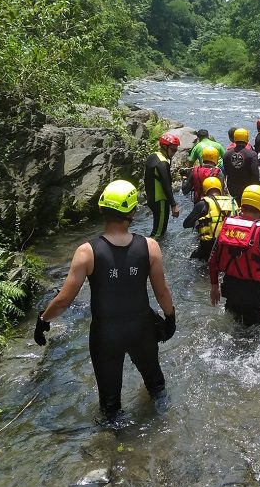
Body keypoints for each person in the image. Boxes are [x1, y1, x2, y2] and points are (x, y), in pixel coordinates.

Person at [33, 180, 177, 421]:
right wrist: (170, 317)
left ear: (102, 209)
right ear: (132, 212)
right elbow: (161, 291)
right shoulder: (150, 246)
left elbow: (64, 300)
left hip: (105, 335)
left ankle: (112, 451)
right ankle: (164, 432)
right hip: (142, 329)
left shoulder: (86, 251)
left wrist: (43, 319)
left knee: (110, 406)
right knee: (156, 387)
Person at [208, 185, 260, 326]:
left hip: (231, 289)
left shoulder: (227, 226)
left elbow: (212, 260)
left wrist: (214, 286)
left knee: (232, 328)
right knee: (252, 338)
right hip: (254, 293)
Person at [182, 177, 238, 260]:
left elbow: (186, 224)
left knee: (192, 258)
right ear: (220, 188)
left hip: (208, 247)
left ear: (205, 191)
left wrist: (199, 222)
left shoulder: (202, 204)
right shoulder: (233, 202)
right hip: (230, 246)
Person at [144, 133, 180, 238]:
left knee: (157, 229)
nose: (174, 153)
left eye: (176, 150)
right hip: (161, 201)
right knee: (158, 234)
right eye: (173, 150)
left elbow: (146, 178)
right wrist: (174, 205)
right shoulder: (163, 163)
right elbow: (166, 185)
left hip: (152, 199)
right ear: (164, 147)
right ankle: (151, 252)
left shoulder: (153, 156)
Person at [223, 128, 260, 205]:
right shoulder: (252, 154)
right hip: (247, 189)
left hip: (232, 188)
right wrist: (258, 189)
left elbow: (226, 171)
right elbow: (255, 174)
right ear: (246, 138)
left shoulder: (226, 154)